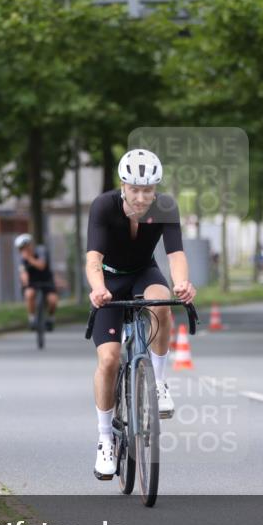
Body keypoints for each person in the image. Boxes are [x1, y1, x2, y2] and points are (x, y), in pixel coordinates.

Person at [85, 149, 196, 480]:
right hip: (109, 279)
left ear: (155, 189)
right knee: (109, 359)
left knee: (162, 303)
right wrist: (98, 289)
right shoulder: (103, 206)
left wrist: (182, 283)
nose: (141, 197)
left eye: (148, 190)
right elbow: (93, 259)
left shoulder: (166, 207)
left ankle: (158, 384)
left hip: (144, 272)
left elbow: (175, 255)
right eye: (134, 189)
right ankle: (105, 440)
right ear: (123, 185)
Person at [15, 233, 57, 331]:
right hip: (32, 282)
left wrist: (29, 258)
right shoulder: (22, 259)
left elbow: (42, 266)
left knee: (53, 300)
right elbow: (23, 272)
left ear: (30, 245)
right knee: (29, 294)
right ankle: (32, 319)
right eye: (21, 249)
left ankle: (50, 319)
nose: (24, 250)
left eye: (25, 247)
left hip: (46, 280)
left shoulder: (41, 251)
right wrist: (25, 280)